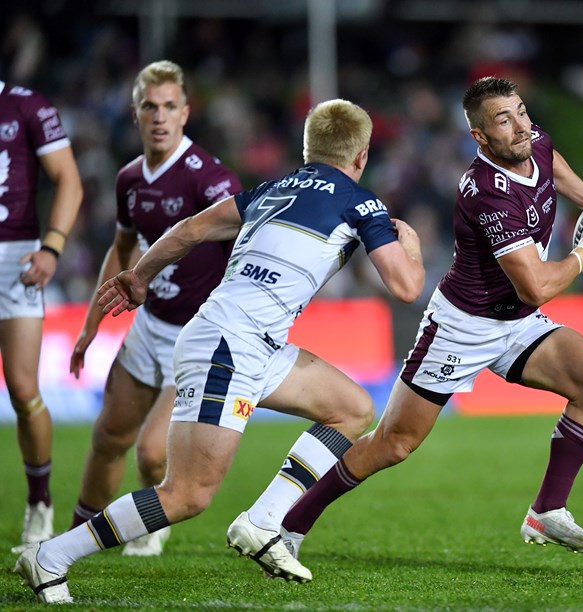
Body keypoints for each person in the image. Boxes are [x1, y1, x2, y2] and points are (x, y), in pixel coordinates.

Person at [15, 97, 425, 604]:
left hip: (251, 341)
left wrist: (140, 277)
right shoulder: (361, 203)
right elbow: (407, 287)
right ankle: (50, 556)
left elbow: (189, 230)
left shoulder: (271, 190)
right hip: (229, 345)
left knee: (352, 408)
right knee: (186, 495)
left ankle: (263, 520)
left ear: (307, 148)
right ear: (361, 156)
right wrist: (410, 244)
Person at [249, 76, 583, 581]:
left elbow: (550, 162)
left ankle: (547, 512)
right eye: (503, 120)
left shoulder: (534, 141)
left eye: (521, 111)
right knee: (393, 444)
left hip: (514, 323)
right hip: (462, 327)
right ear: (479, 136)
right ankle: (290, 525)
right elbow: (536, 286)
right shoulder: (486, 193)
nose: (520, 126)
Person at [67, 60, 242, 557]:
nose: (159, 116)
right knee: (107, 437)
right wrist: (90, 325)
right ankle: (74, 537)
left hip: (196, 337)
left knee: (149, 452)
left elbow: (244, 251)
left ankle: (152, 518)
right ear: (136, 113)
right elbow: (121, 252)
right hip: (148, 328)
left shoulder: (211, 180)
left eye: (169, 107)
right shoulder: (128, 180)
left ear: (186, 113)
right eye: (150, 106)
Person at [0, 79, 83, 552]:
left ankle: (40, 503)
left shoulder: (25, 104)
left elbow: (68, 179)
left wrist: (52, 245)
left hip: (16, 258)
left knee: (23, 388)